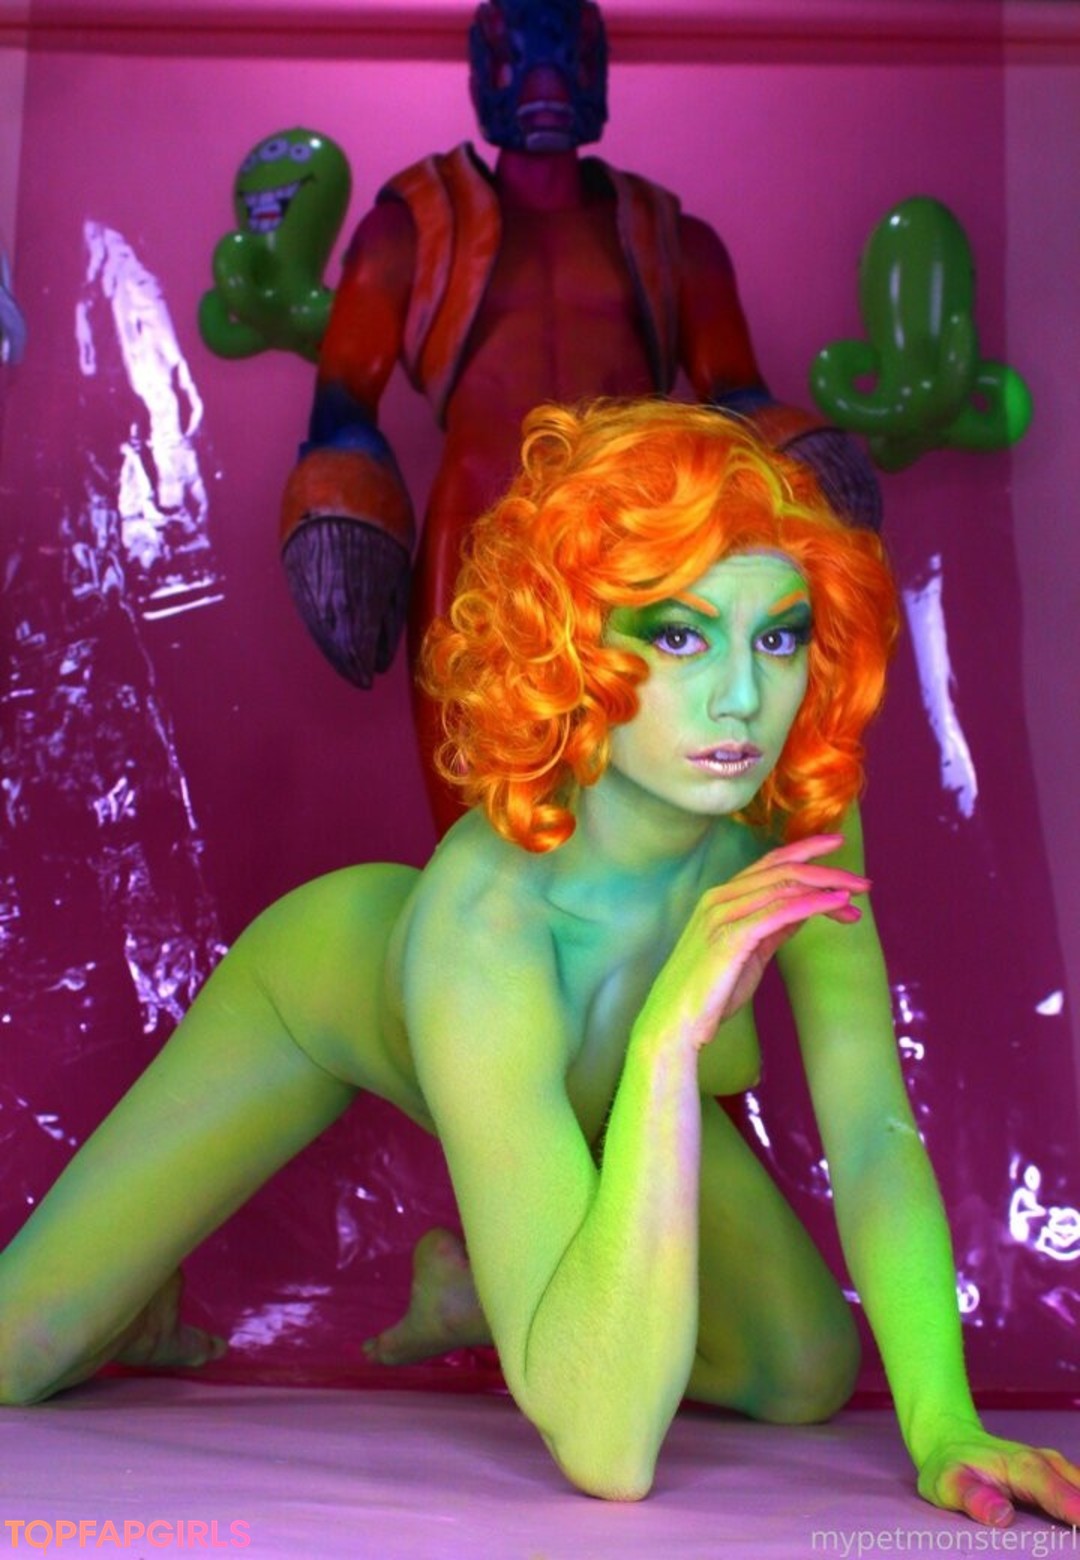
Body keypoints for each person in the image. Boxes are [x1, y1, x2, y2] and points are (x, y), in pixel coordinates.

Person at [1, 400, 1075, 1523]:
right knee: (20, 1350)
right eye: (680, 636)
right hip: (326, 996)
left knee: (802, 1367)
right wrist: (667, 1044)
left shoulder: (797, 809)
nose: (744, 701)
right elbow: (612, 1456)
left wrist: (944, 1424)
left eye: (777, 637)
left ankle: (486, 1298)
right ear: (574, 640)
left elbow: (872, 1131)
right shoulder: (487, 926)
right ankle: (131, 1283)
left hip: (593, 1090)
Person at [281, 0, 880, 829]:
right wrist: (344, 515)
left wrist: (813, 496)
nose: (546, 79)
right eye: (518, 56)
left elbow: (737, 398)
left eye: (570, 54)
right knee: (480, 797)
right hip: (479, 528)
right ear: (482, 68)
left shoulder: (670, 239)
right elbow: (343, 403)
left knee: (654, 786)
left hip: (641, 531)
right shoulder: (409, 231)